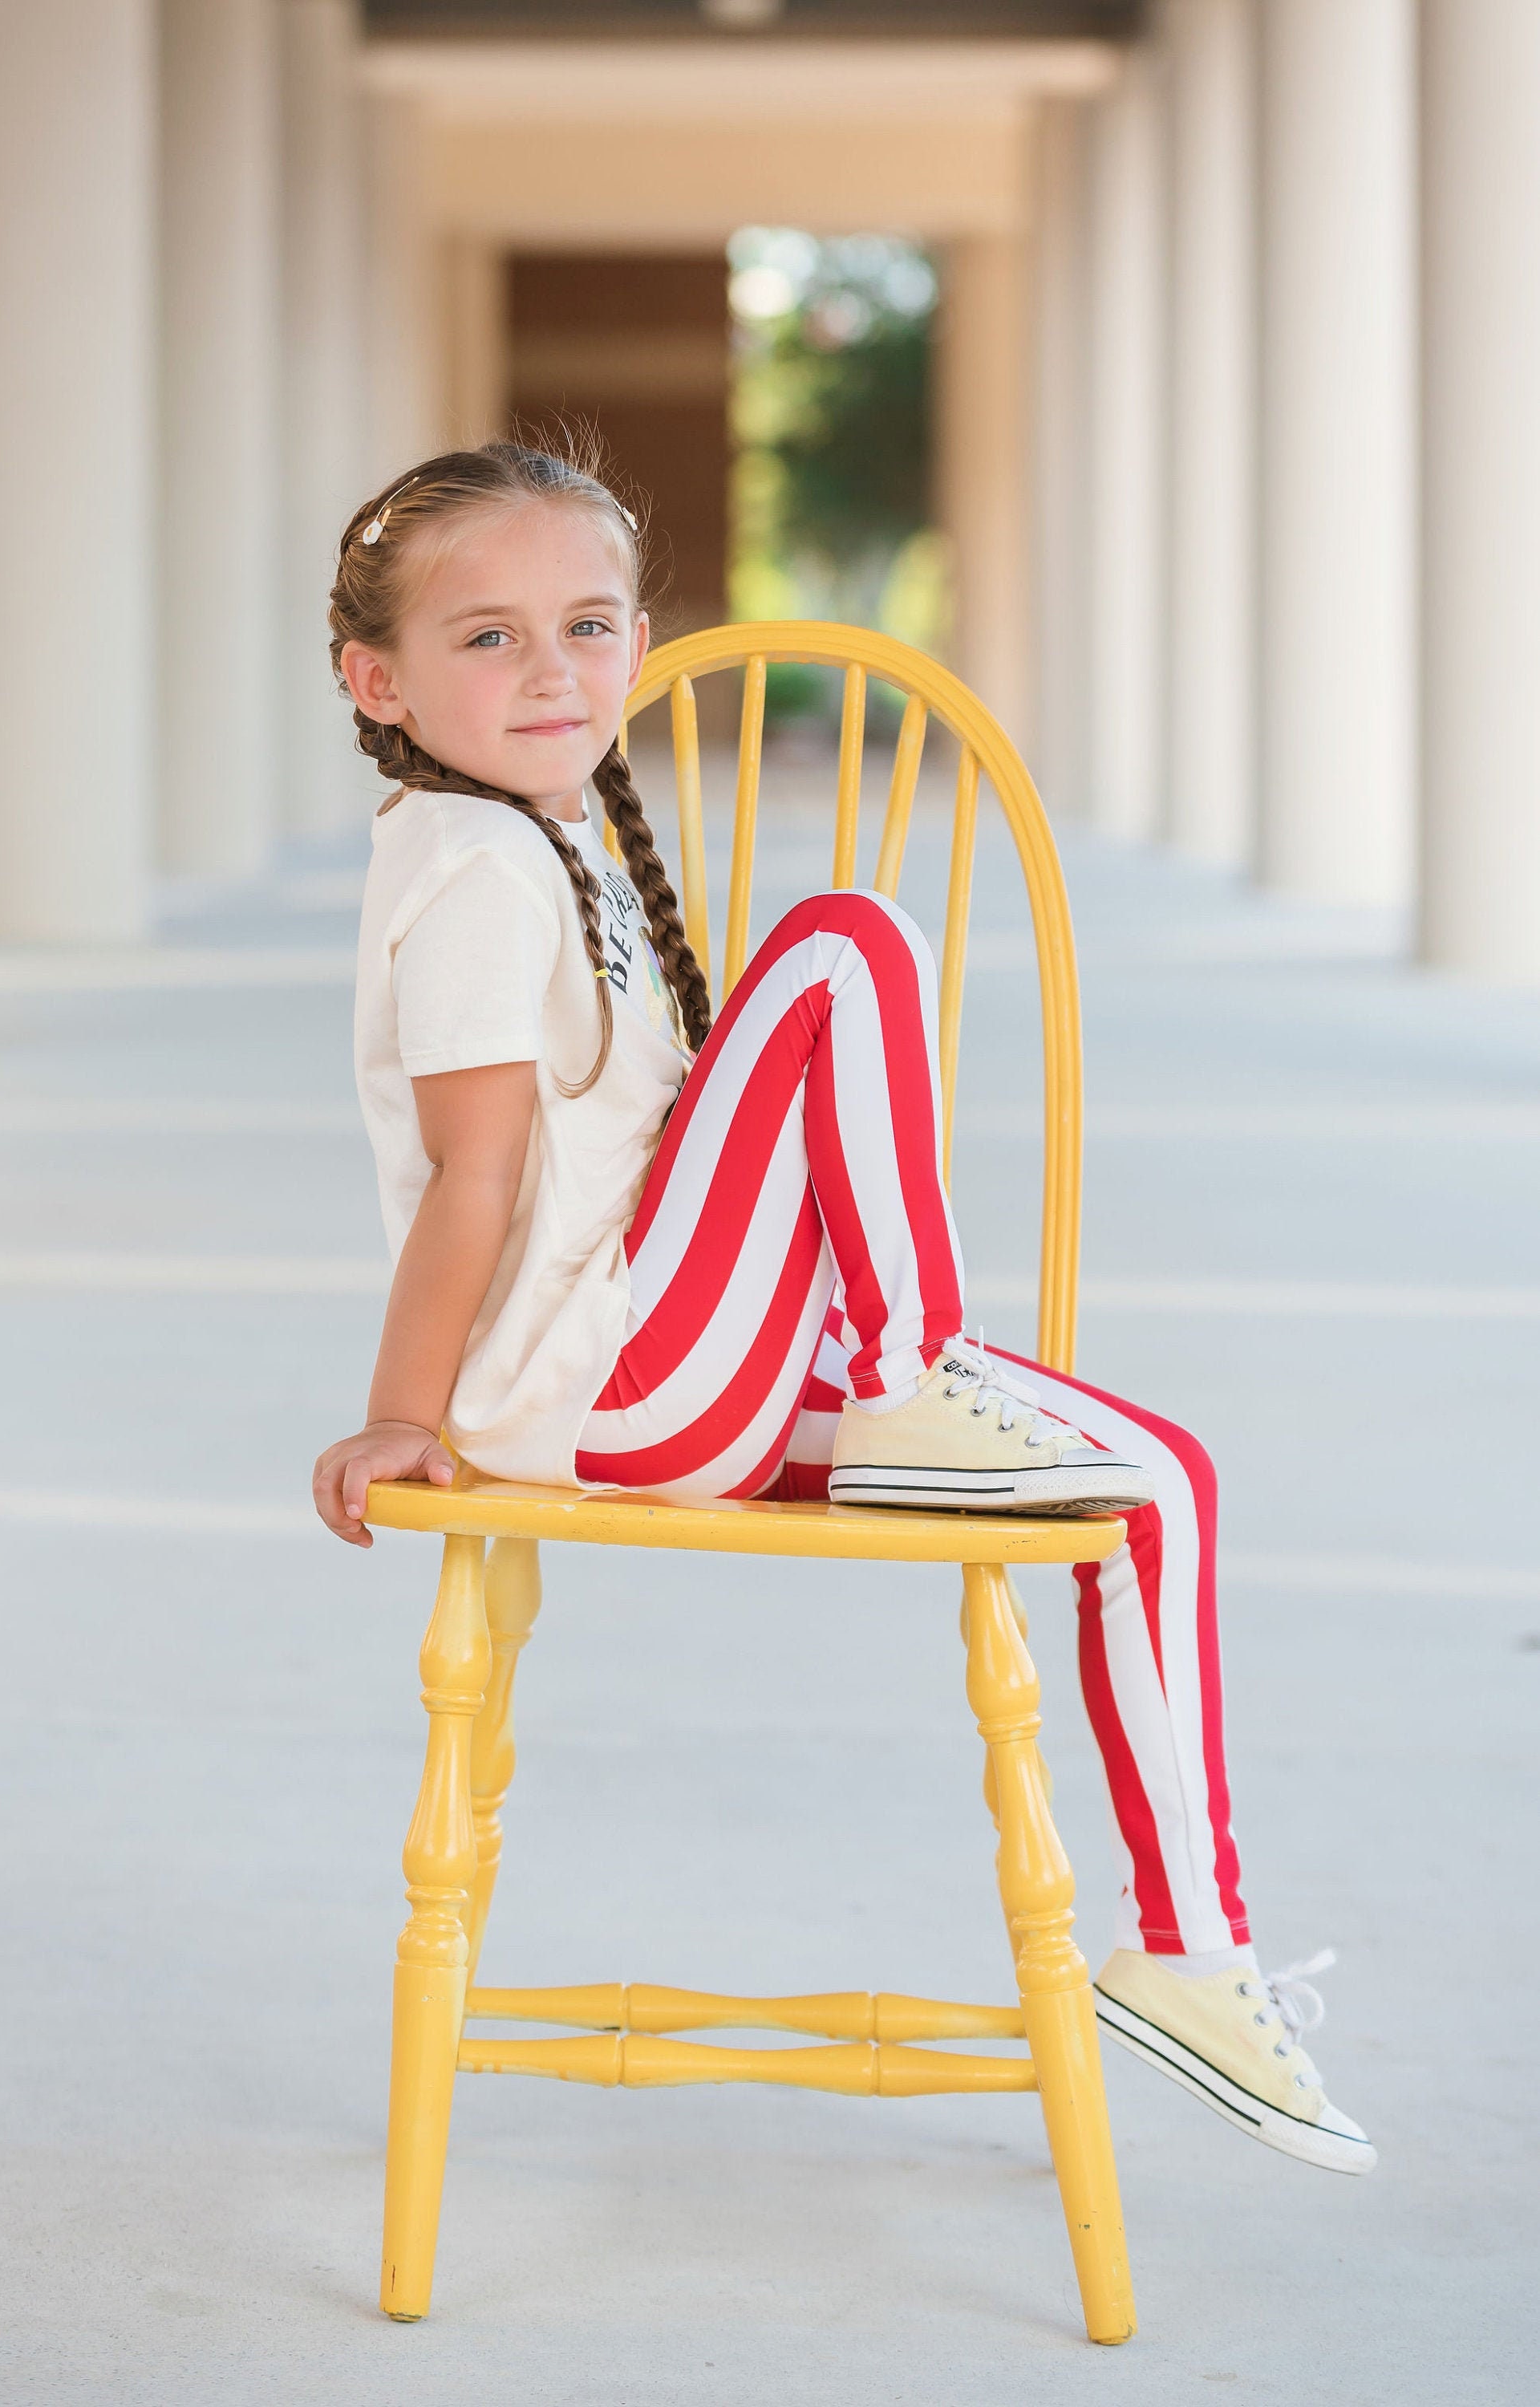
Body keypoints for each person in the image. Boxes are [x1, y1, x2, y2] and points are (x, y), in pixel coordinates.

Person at [311, 440, 1374, 2178]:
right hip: (603, 1395)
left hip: (679, 1364)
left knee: (1157, 1477)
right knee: (848, 937)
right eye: (485, 638)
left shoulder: (551, 843)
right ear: (379, 679)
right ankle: (903, 1373)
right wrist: (405, 1415)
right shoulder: (473, 865)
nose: (552, 669)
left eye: (585, 625)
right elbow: (472, 1182)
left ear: (639, 644)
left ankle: (1189, 1951)